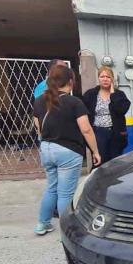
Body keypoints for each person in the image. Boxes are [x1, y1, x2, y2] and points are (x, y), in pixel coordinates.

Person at [32, 66, 101, 236]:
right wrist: (95, 151)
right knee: (66, 193)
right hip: (67, 151)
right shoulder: (74, 102)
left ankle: (43, 224)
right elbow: (86, 129)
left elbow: (37, 127)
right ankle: (67, 231)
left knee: (51, 188)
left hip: (46, 149)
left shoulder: (39, 100)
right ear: (71, 81)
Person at [82, 66, 131, 163]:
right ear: (98, 78)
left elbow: (121, 110)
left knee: (115, 163)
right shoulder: (90, 94)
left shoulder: (119, 94)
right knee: (100, 162)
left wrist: (113, 94)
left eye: (108, 77)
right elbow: (84, 115)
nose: (105, 79)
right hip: (98, 133)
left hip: (115, 133)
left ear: (112, 79)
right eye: (102, 76)